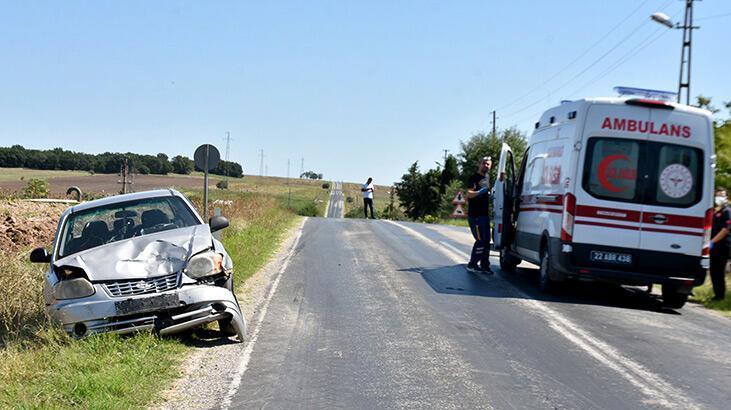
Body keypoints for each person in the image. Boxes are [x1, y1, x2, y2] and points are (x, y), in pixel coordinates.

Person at [465, 156, 493, 274]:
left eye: (487, 164)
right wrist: (480, 192)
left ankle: (485, 265)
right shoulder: (474, 178)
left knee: (487, 241)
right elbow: (469, 194)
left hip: (484, 215)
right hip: (475, 216)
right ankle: (472, 264)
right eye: (483, 163)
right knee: (480, 240)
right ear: (479, 164)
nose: (485, 166)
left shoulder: (487, 178)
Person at [709, 187, 730, 300]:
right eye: (718, 195)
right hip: (716, 247)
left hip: (722, 247)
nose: (719, 197)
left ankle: (719, 296)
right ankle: (717, 294)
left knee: (718, 272)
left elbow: (725, 230)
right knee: (714, 271)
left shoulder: (727, 211)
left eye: (722, 195)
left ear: (727, 197)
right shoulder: (717, 211)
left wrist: (711, 242)